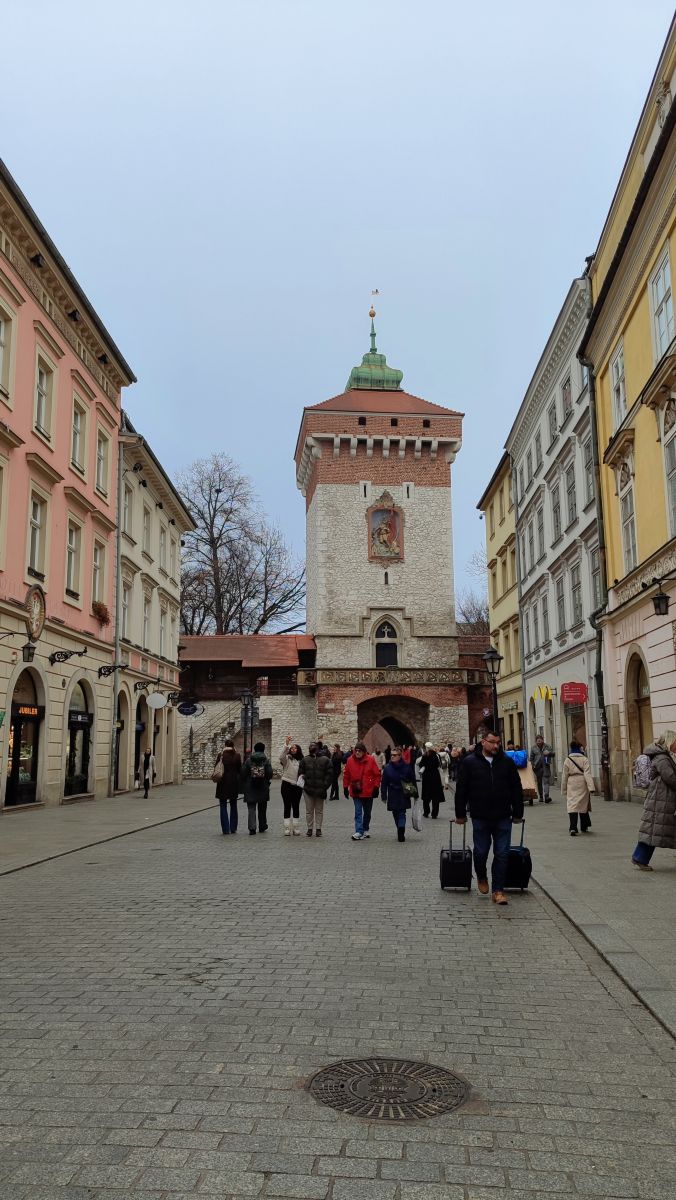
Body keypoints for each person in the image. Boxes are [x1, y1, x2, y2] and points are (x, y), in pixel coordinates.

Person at [455, 729, 524, 905]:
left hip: (503, 815)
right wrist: (460, 814)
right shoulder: (470, 762)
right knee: (481, 852)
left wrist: (518, 812)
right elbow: (461, 789)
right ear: (483, 742)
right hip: (480, 815)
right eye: (492, 742)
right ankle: (481, 876)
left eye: (498, 743)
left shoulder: (506, 762)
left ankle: (498, 890)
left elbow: (516, 787)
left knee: (502, 854)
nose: (496, 746)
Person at [631, 731, 676, 870]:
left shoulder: (664, 756)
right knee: (652, 830)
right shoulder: (662, 758)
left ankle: (639, 857)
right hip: (660, 800)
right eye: (675, 742)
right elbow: (671, 778)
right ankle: (639, 858)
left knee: (653, 830)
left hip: (662, 799)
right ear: (669, 742)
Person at [343, 742, 381, 840]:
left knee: (367, 813)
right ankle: (359, 831)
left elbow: (377, 775)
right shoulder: (350, 760)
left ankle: (365, 828)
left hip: (368, 791)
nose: (357, 752)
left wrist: (376, 787)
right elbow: (346, 775)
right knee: (358, 812)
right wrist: (345, 787)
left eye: (359, 751)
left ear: (364, 752)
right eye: (356, 750)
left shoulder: (370, 760)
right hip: (356, 790)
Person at [381, 745, 415, 841]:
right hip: (392, 793)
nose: (392, 756)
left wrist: (414, 793)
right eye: (391, 755)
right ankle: (400, 828)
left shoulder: (406, 767)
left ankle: (401, 831)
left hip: (403, 793)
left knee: (402, 812)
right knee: (395, 813)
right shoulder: (388, 768)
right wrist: (384, 795)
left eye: (395, 755)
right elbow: (384, 783)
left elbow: (412, 780)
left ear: (400, 756)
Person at [561, 740, 595, 835]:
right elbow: (587, 774)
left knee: (572, 804)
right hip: (582, 782)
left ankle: (573, 827)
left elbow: (564, 776)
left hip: (571, 782)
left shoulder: (567, 760)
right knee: (583, 804)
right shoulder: (584, 759)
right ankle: (584, 826)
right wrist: (591, 787)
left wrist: (564, 789)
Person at [299, 742, 333, 837]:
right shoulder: (305, 760)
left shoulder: (325, 760)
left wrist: (324, 785)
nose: (311, 747)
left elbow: (329, 774)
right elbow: (300, 773)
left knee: (319, 810)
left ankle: (318, 828)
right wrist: (304, 783)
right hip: (308, 789)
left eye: (313, 746)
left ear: (318, 748)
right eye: (310, 746)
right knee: (309, 811)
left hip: (320, 789)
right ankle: (309, 828)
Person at [242, 741, 273, 835]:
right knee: (262, 808)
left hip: (250, 787)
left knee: (251, 808)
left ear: (254, 749)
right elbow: (270, 774)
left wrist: (246, 782)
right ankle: (262, 826)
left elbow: (243, 773)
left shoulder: (248, 760)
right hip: (263, 786)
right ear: (263, 749)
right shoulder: (266, 760)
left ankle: (252, 828)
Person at [214, 739, 241, 834]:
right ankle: (233, 828)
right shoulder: (237, 755)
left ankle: (225, 829)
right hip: (233, 783)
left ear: (225, 745)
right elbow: (239, 769)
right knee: (233, 805)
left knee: (223, 805)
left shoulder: (221, 755)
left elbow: (216, 767)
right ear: (233, 746)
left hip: (222, 783)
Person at [279, 738, 304, 835]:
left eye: (295, 748)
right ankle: (287, 828)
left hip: (297, 786)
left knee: (296, 806)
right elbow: (281, 756)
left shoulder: (301, 760)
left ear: (298, 750)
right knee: (287, 806)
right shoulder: (287, 759)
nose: (293, 749)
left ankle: (296, 827)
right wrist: (286, 744)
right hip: (287, 784)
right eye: (292, 748)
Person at [420, 742, 445, 819]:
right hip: (435, 777)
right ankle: (434, 814)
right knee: (435, 797)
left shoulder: (424, 756)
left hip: (427, 777)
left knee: (426, 796)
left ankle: (426, 812)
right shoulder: (436, 755)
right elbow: (439, 765)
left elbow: (421, 764)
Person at [530, 735, 554, 803]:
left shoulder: (547, 746)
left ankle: (546, 796)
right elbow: (531, 758)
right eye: (538, 741)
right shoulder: (533, 748)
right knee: (539, 782)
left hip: (545, 766)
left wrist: (549, 753)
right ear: (536, 741)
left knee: (546, 781)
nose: (539, 742)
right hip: (537, 767)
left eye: (540, 741)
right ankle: (541, 796)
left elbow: (553, 754)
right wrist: (533, 765)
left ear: (543, 740)